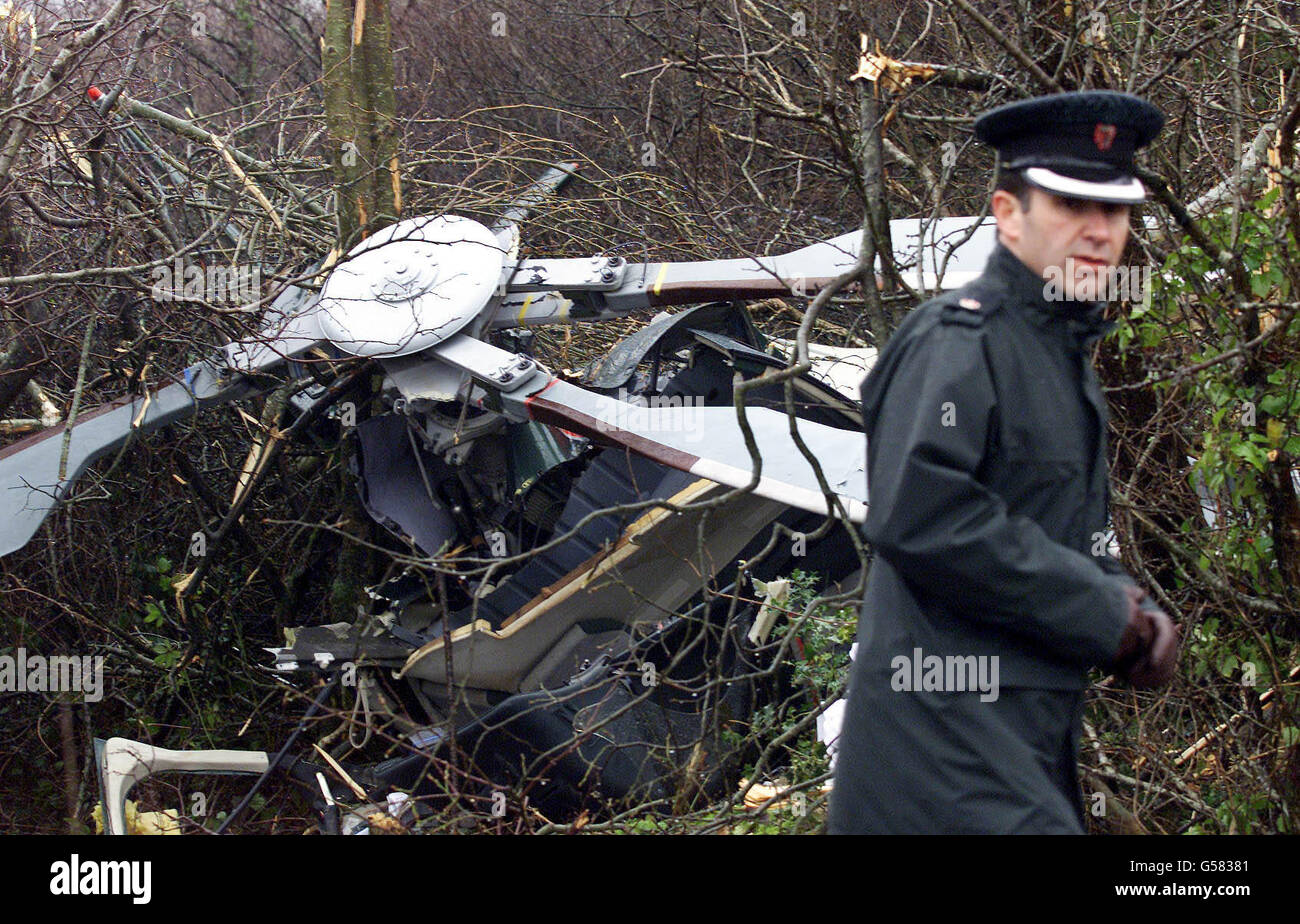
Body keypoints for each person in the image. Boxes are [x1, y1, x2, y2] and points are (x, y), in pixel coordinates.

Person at [828, 91, 1180, 834]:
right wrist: (1100, 612)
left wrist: (1133, 609)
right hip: (940, 748)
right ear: (1008, 213)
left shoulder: (1059, 357)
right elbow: (922, 514)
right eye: (1069, 205)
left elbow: (1042, 535)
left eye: (1113, 212)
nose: (1097, 231)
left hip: (1017, 737)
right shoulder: (957, 343)